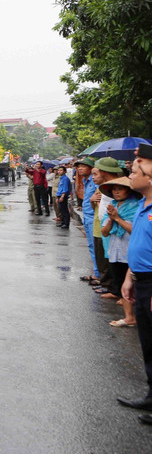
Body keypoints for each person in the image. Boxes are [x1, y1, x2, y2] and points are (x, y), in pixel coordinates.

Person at [118, 143, 152, 424]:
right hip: (141, 281)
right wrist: (130, 276)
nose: (130, 174)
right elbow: (141, 245)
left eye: (135, 169)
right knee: (148, 343)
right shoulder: (144, 204)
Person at [99, 176, 141, 318]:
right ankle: (129, 315)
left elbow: (135, 230)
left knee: (132, 285)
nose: (116, 192)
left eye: (120, 189)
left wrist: (117, 218)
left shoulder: (136, 206)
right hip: (115, 250)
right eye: (114, 190)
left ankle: (132, 315)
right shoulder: (112, 205)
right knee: (119, 279)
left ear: (128, 191)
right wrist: (111, 218)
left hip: (129, 250)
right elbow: (104, 232)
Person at [93, 157, 126, 294]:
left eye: (97, 172)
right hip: (105, 224)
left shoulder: (116, 186)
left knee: (111, 257)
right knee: (106, 255)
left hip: (114, 226)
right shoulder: (105, 186)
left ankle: (113, 288)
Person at [76, 157, 100, 284]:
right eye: (79, 166)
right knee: (91, 245)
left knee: (96, 246)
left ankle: (99, 274)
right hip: (87, 216)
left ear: (91, 168)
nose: (80, 168)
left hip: (93, 217)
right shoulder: (86, 181)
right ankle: (96, 273)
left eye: (83, 166)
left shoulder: (95, 182)